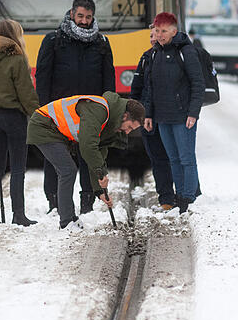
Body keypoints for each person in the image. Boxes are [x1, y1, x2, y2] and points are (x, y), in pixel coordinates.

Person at [35, 0, 115, 215]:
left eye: (88, 17)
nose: (84, 21)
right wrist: (44, 110)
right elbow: (42, 78)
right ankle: (54, 204)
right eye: (80, 16)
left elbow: (109, 81)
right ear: (72, 14)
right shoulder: (53, 40)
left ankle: (86, 203)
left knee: (87, 157)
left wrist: (107, 109)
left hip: (89, 113)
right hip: (58, 113)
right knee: (56, 159)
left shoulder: (102, 44)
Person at [27, 91, 145, 229]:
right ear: (124, 116)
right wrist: (100, 173)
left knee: (68, 170)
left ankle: (70, 218)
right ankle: (66, 222)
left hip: (55, 131)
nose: (128, 132)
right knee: (67, 171)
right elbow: (88, 147)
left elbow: (96, 157)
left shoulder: (108, 123)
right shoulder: (99, 110)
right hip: (44, 125)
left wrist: (100, 190)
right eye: (130, 127)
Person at [0, 19, 40, 226]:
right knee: (18, 166)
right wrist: (36, 114)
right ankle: (18, 215)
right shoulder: (17, 59)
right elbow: (26, 92)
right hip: (13, 118)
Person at [141, 12, 204, 213]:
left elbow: (198, 83)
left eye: (164, 31)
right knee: (173, 159)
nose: (159, 35)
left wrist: (193, 112)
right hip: (162, 117)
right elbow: (150, 87)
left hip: (182, 116)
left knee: (186, 158)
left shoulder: (186, 51)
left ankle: (188, 197)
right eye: (157, 31)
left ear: (174, 31)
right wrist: (148, 114)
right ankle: (179, 196)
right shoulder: (155, 53)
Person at [130, 25, 175, 210]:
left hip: (168, 117)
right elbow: (136, 89)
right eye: (151, 35)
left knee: (174, 157)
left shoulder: (173, 58)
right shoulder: (146, 58)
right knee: (157, 159)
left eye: (157, 34)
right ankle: (166, 200)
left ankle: (184, 196)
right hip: (148, 119)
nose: (153, 38)